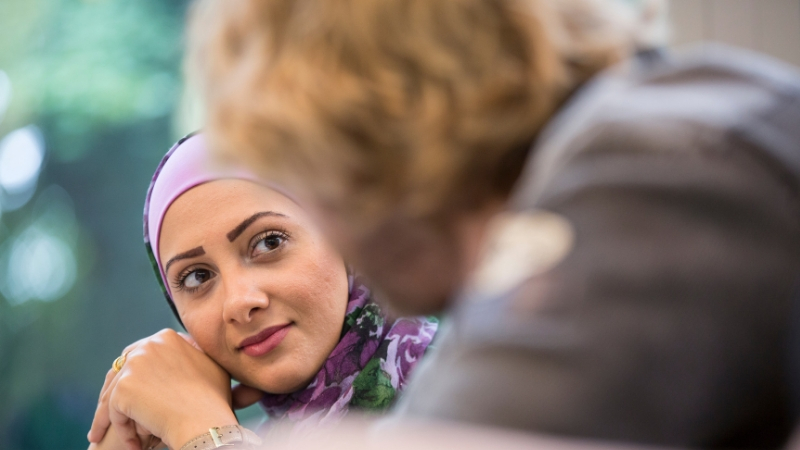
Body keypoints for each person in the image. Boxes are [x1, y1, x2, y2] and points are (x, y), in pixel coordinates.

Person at [175, 0, 800, 448]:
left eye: (303, 173)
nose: (333, 231)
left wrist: (204, 432)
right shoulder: (680, 121)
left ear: (366, 126)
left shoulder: (654, 165)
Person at [87, 134, 437, 450]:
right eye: (197, 277)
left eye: (269, 243)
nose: (239, 302)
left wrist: (207, 435)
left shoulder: (455, 391)